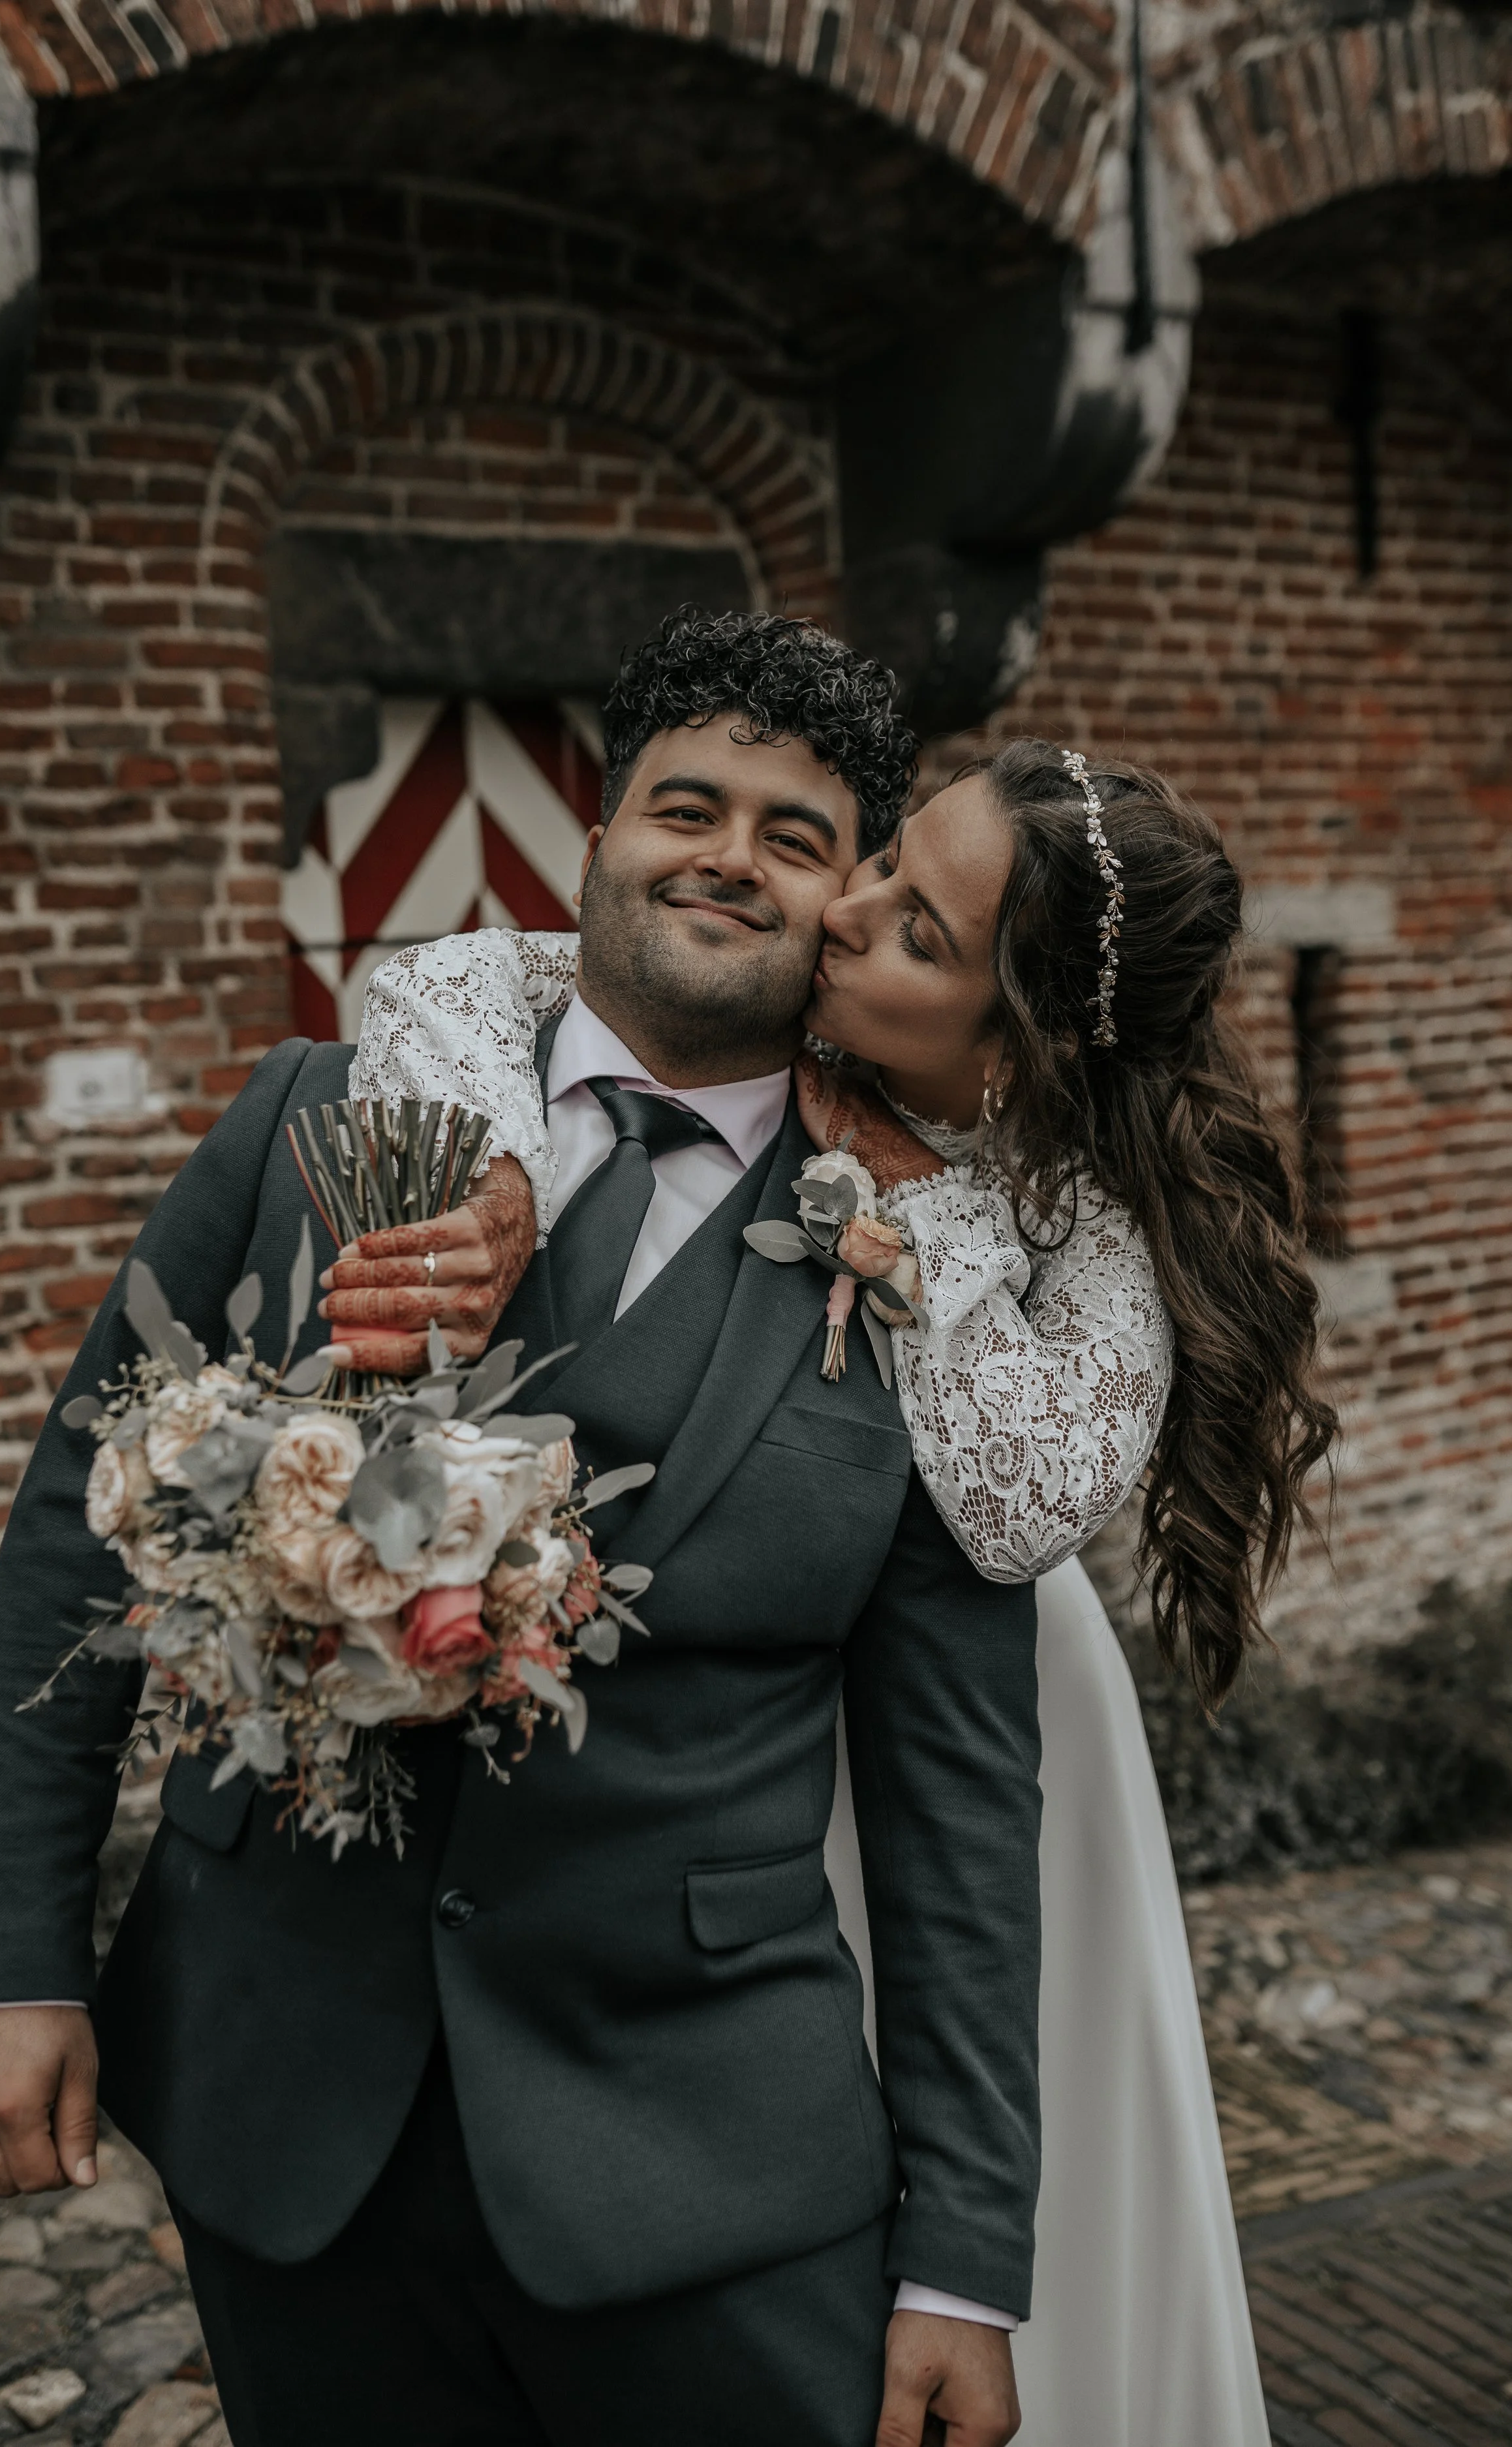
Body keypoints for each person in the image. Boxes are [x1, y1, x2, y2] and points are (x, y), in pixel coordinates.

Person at [0, 609, 1041, 2447]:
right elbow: (74, 1527)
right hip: (284, 2109)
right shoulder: (311, 1120)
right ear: (595, 837)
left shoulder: (929, 1278)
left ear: (848, 902)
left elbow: (961, 1795)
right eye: (689, 804)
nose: (728, 857)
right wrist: (10, 1954)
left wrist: (964, 2259)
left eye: (793, 834)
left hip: (707, 2158)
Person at [335, 639, 1336, 2447]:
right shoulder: (762, 1003)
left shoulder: (1075, 1226)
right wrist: (484, 1179)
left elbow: (1020, 1504)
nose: (845, 909)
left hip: (974, 1687)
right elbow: (448, 981)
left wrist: (904, 1202)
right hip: (739, 1751)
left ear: (1012, 1042)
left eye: (911, 929)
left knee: (925, 2105)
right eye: (886, 861)